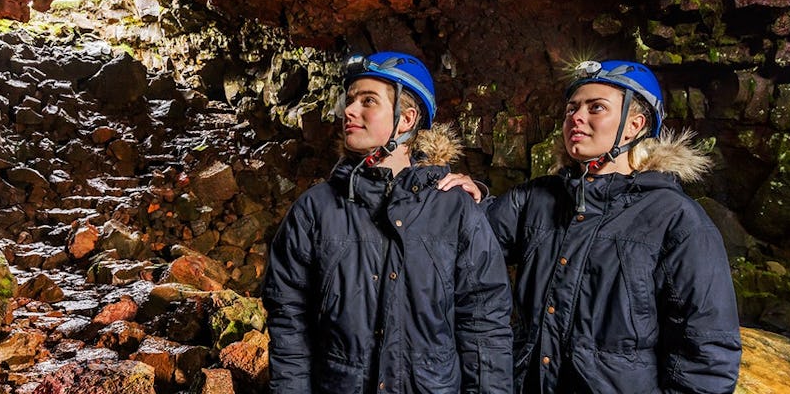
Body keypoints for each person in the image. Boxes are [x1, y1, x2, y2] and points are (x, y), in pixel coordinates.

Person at [438, 60, 742, 393]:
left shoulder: (676, 218)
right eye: (571, 109)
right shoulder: (536, 199)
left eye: (596, 108)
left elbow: (707, 351)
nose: (576, 118)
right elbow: (471, 246)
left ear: (634, 125)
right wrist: (473, 197)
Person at [263, 51, 513, 393]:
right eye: (350, 100)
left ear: (406, 120)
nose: (349, 110)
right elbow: (289, 322)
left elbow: (484, 325)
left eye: (368, 101)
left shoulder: (455, 210)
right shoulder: (314, 210)